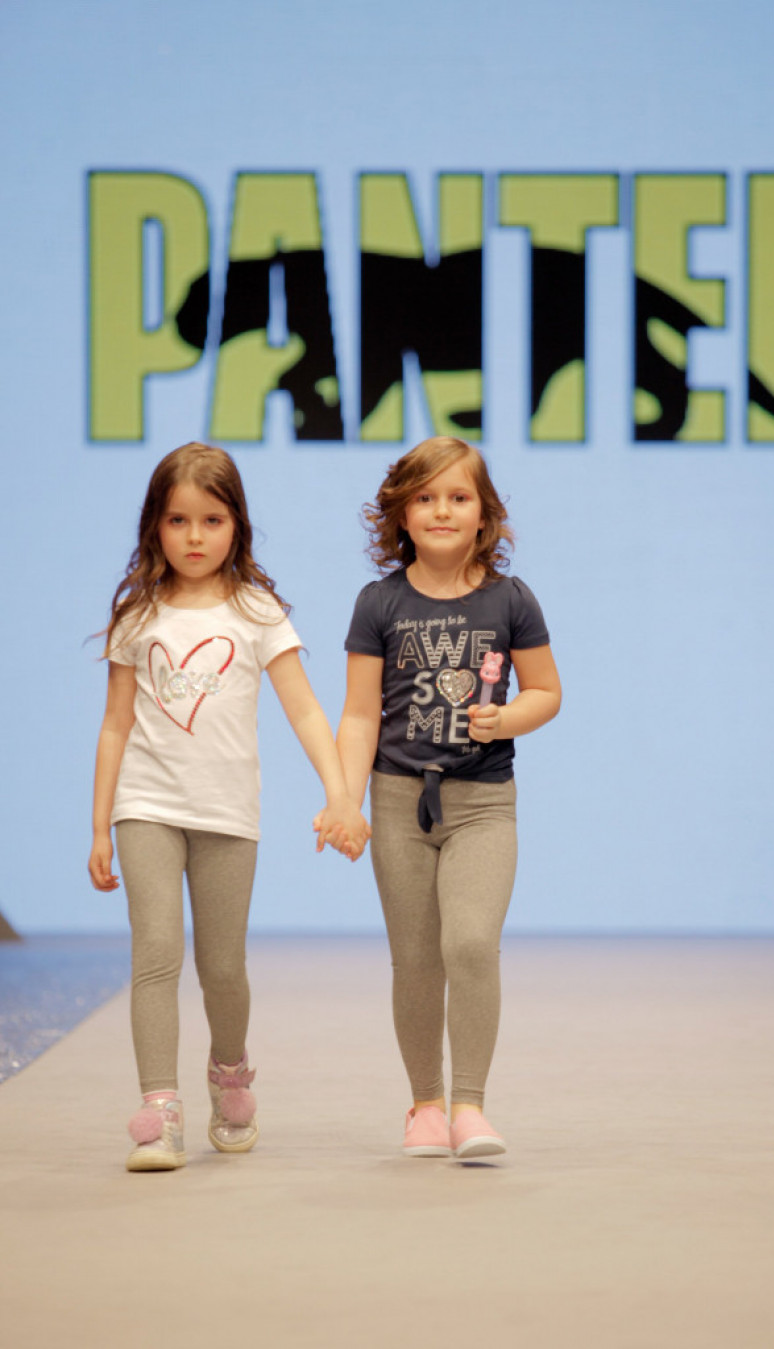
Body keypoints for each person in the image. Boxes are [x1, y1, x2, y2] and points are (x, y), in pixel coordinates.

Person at [88, 442, 369, 1172]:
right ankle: (160, 1110)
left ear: (237, 525)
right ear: (154, 525)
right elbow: (115, 724)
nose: (194, 537)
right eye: (178, 520)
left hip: (227, 814)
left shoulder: (255, 610)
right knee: (155, 954)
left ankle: (230, 1070)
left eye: (212, 520)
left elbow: (304, 709)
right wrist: (100, 825)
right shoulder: (137, 613)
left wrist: (340, 792)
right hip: (146, 806)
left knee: (222, 967)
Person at [335, 436, 561, 1159]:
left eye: (459, 497)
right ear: (400, 514)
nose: (441, 510)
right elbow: (360, 715)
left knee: (469, 944)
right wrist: (344, 799)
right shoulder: (379, 602)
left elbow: (546, 690)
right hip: (398, 801)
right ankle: (425, 1106)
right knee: (415, 961)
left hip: (484, 803)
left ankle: (470, 1106)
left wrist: (508, 717)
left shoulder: (511, 599)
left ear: (484, 514)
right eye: (425, 497)